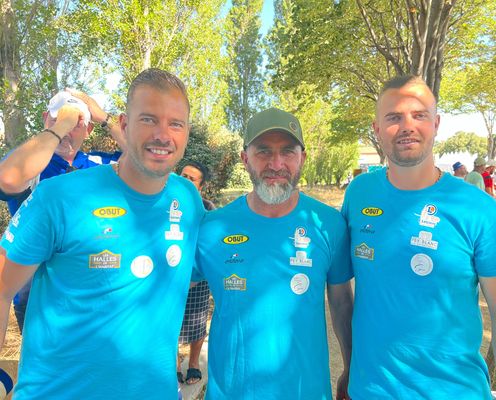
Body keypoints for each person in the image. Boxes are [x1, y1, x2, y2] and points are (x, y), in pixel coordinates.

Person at [0, 68, 204, 399]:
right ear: (124, 125)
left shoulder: (188, 199)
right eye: (149, 119)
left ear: (186, 132)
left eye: (175, 123)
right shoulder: (58, 196)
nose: (163, 134)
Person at [342, 75, 496, 399]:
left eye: (419, 115)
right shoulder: (359, 194)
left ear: (436, 123)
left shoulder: (477, 208)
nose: (407, 126)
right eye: (394, 117)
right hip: (371, 390)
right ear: (377, 128)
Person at [196, 107, 354, 399]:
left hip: (306, 391)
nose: (276, 163)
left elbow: (342, 304)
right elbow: (169, 292)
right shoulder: (211, 229)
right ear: (245, 159)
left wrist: (351, 367)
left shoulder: (329, 225)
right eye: (264, 151)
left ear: (303, 158)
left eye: (288, 152)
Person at [0, 90, 124, 333]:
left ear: (89, 131)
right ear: (46, 118)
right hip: (36, 295)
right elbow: (8, 179)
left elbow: (143, 160)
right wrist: (61, 127)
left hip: (92, 291)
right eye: (58, 118)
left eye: (77, 123)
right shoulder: (32, 163)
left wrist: (106, 118)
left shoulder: (98, 164)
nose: (67, 128)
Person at [177, 160, 215, 385]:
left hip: (197, 278)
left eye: (191, 179)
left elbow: (210, 246)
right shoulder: (164, 204)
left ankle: (193, 363)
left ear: (201, 187)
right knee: (168, 319)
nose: (185, 180)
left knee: (197, 321)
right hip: (169, 277)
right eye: (182, 175)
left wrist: (193, 277)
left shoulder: (208, 210)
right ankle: (172, 365)